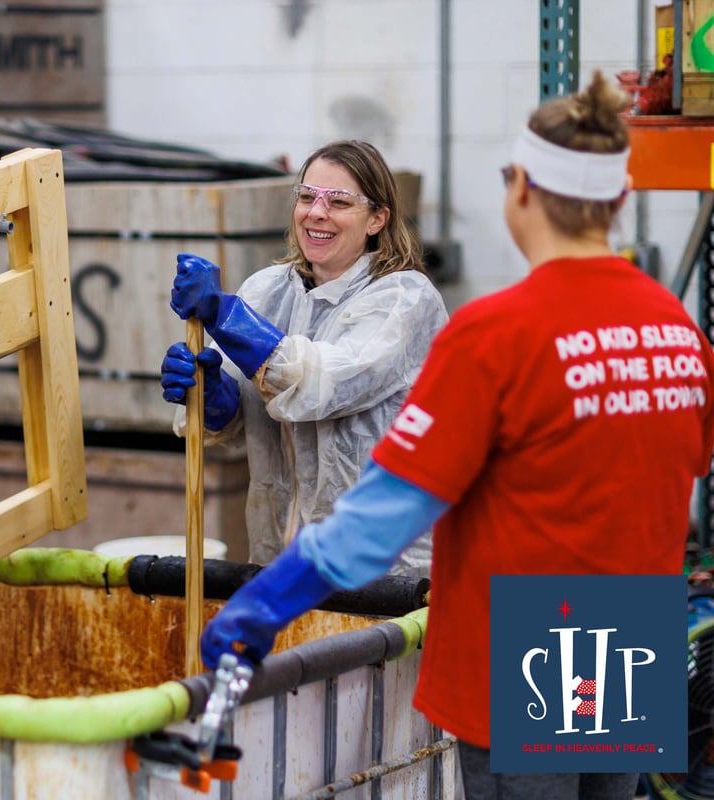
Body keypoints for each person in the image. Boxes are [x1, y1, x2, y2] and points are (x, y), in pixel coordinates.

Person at [200, 73, 714, 799]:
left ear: (520, 190)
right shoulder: (678, 332)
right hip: (631, 638)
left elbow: (383, 515)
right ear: (620, 201)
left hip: (524, 652)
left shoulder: (496, 336)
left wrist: (264, 603)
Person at [160, 140, 448, 572]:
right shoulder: (267, 290)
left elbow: (322, 384)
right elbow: (245, 419)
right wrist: (212, 395)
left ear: (377, 219)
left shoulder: (404, 299)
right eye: (308, 196)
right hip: (282, 557)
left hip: (385, 569)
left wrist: (223, 313)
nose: (317, 212)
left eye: (340, 202)